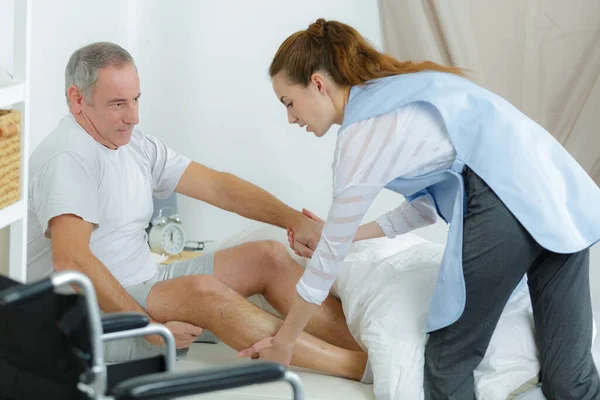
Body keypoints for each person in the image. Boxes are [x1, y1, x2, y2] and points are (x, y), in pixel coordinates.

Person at [239, 18, 600, 399]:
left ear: (317, 83)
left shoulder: (364, 132)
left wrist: (286, 341)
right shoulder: (401, 91)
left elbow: (325, 264)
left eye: (289, 102)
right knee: (570, 378)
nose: (291, 117)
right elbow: (427, 208)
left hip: (508, 207)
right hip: (561, 201)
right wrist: (343, 233)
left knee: (447, 365)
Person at [26, 41, 371, 381]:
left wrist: (293, 220)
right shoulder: (68, 158)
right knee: (204, 292)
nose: (133, 116)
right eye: (118, 104)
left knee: (268, 255)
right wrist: (149, 329)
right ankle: (357, 367)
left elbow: (219, 187)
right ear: (77, 99)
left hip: (146, 282)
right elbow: (71, 260)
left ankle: (375, 349)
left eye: (135, 100)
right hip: (82, 314)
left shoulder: (134, 144)